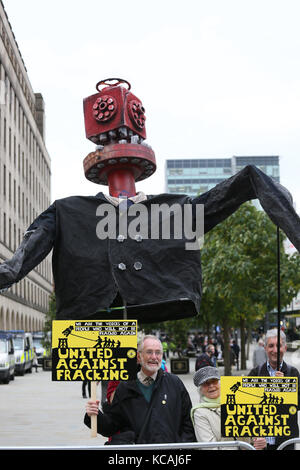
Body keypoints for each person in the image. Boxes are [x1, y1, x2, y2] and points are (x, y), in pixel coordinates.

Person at [84, 335, 196, 444]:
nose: (154, 357)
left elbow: (188, 423)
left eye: (158, 352)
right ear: (138, 357)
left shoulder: (174, 383)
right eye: (149, 352)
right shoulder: (125, 387)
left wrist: (181, 447)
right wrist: (95, 415)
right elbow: (113, 427)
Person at [248, 328, 300, 450]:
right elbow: (246, 406)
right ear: (265, 348)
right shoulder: (256, 373)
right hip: (262, 442)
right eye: (271, 346)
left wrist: (285, 389)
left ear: (285, 348)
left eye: (279, 346)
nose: (275, 350)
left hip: (286, 441)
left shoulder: (293, 373)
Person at [191, 366, 266, 450]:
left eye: (214, 381)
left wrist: (259, 440)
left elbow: (254, 432)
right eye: (206, 384)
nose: (211, 386)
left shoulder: (238, 401)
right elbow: (209, 447)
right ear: (200, 390)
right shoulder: (200, 412)